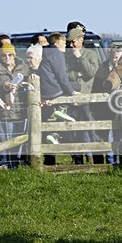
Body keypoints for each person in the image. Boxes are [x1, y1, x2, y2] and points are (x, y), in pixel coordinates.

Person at [37, 32, 79, 164]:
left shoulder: (46, 53)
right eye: (63, 43)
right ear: (56, 43)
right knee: (74, 91)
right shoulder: (57, 54)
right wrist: (71, 92)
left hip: (45, 90)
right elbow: (61, 76)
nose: (65, 45)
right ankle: (62, 110)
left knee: (49, 121)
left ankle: (53, 134)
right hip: (54, 90)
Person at [0, 44, 29, 168]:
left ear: (14, 55)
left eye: (10, 55)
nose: (7, 57)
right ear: (0, 56)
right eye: (4, 55)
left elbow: (30, 80)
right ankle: (4, 164)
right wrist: (4, 85)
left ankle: (16, 163)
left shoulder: (23, 68)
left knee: (19, 138)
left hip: (21, 110)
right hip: (3, 111)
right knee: (4, 139)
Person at [65, 27, 100, 164]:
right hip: (71, 99)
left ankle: (93, 159)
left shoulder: (91, 54)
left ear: (81, 39)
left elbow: (92, 72)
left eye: (73, 42)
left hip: (87, 100)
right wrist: (78, 74)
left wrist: (79, 57)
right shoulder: (67, 56)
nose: (71, 45)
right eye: (69, 42)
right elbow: (65, 75)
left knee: (90, 130)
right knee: (72, 131)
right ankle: (77, 160)